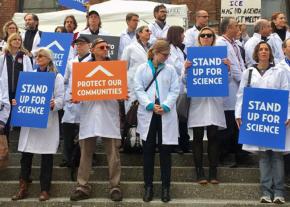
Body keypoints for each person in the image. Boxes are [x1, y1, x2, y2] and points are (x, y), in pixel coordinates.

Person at [235, 41, 290, 204]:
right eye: (261, 50)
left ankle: (279, 192)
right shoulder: (249, 72)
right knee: (264, 156)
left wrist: (287, 114)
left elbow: (286, 94)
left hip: (275, 119)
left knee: (277, 156)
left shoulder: (279, 72)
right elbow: (241, 95)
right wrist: (239, 114)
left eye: (266, 49)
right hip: (258, 120)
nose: (264, 52)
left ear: (271, 53)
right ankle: (266, 192)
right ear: (256, 53)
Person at [70, 38, 123, 202]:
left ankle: (115, 186)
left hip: (109, 115)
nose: (106, 49)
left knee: (113, 153)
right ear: (93, 49)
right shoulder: (82, 69)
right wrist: (75, 97)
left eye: (107, 47)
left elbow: (123, 91)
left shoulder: (115, 68)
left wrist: (123, 95)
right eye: (102, 47)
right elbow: (73, 91)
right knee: (85, 153)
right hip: (89, 115)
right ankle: (82, 186)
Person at [11, 48, 64, 201]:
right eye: (36, 56)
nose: (37, 58)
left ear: (49, 58)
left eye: (40, 56)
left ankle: (45, 189)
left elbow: (61, 99)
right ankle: (23, 187)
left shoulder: (56, 77)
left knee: (46, 156)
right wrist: (17, 102)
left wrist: (55, 103)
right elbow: (23, 95)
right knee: (26, 156)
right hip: (30, 121)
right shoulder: (30, 76)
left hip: (46, 121)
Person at [135, 39, 179, 203]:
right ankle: (148, 187)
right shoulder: (142, 68)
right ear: (155, 52)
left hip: (165, 113)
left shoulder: (171, 70)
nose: (166, 58)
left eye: (168, 55)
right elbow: (138, 88)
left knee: (165, 152)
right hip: (149, 112)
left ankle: (166, 188)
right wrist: (150, 105)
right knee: (148, 152)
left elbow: (175, 90)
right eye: (164, 54)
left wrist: (166, 105)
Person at [184, 27, 227, 184]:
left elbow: (226, 82)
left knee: (213, 136)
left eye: (210, 35)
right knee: (196, 137)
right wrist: (186, 70)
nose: (206, 37)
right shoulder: (191, 57)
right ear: (199, 38)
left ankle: (213, 172)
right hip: (198, 102)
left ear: (213, 38)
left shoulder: (221, 57)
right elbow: (184, 82)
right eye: (203, 35)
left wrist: (227, 69)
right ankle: (199, 172)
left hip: (214, 102)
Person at [215, 17, 245, 166]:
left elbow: (241, 64)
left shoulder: (235, 44)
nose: (238, 28)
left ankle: (237, 153)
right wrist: (244, 81)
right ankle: (224, 155)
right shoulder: (221, 43)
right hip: (230, 89)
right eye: (235, 26)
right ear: (228, 28)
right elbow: (232, 67)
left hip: (238, 89)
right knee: (227, 126)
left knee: (236, 124)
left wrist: (246, 78)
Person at [60, 36, 92, 168]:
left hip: (86, 103)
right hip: (71, 101)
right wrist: (65, 96)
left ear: (89, 45)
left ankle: (84, 159)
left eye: (81, 44)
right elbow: (65, 80)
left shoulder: (93, 61)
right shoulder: (71, 62)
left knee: (85, 133)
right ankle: (67, 158)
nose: (79, 46)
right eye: (77, 44)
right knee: (67, 131)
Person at [0, 33, 33, 137]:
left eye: (19, 39)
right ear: (10, 41)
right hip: (6, 91)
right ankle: (5, 145)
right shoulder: (3, 57)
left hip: (20, 92)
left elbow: (30, 74)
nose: (17, 41)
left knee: (20, 118)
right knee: (5, 117)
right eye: (15, 39)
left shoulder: (25, 57)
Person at [166, 26, 191, 153]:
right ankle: (176, 143)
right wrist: (185, 67)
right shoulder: (170, 49)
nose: (184, 37)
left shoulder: (179, 50)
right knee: (176, 117)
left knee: (182, 117)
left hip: (182, 87)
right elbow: (175, 67)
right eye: (182, 34)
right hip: (174, 88)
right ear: (176, 35)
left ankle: (184, 142)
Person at [121, 25, 151, 112]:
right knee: (133, 113)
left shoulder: (152, 48)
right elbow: (123, 69)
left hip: (149, 85)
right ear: (139, 33)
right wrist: (123, 88)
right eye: (147, 30)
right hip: (133, 85)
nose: (150, 32)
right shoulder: (130, 48)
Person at [277, 38, 290, 187]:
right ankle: (285, 178)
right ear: (284, 50)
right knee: (287, 147)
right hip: (286, 108)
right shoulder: (279, 68)